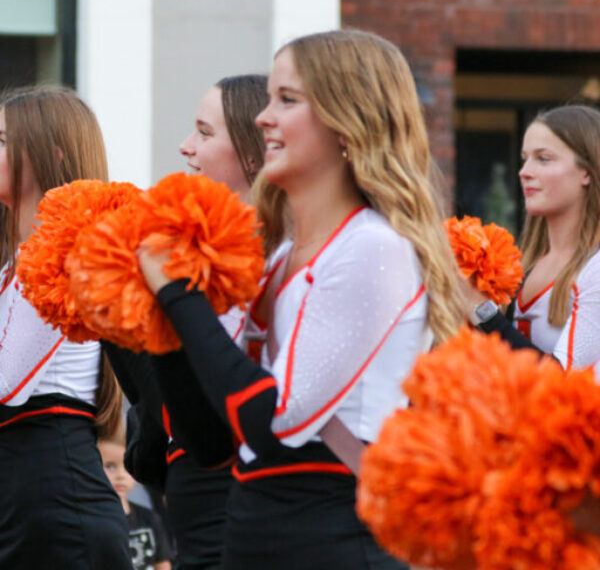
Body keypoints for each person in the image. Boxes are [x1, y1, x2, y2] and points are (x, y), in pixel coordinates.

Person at [137, 29, 466, 570]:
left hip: (335, 538)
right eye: (269, 99)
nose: (264, 117)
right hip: (258, 534)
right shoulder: (278, 256)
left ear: (347, 120)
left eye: (287, 100)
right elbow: (209, 441)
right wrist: (158, 326)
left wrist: (178, 294)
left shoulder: (373, 247)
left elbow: (273, 422)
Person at [105, 74, 268, 570]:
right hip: (189, 506)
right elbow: (157, 408)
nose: (185, 146)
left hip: (246, 505)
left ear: (254, 153)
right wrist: (114, 310)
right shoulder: (188, 256)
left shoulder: (279, 261)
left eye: (203, 132)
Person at [0, 86, 130, 569]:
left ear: (49, 153)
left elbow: (7, 381)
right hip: (26, 494)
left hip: (53, 493)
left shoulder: (66, 254)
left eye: (1, 139)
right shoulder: (14, 264)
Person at [464, 105, 600, 371]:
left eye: (543, 158)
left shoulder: (595, 268)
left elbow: (559, 380)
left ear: (587, 172)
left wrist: (480, 310)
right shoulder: (522, 264)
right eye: (525, 158)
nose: (524, 171)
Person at [99, 433, 173, 570]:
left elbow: (162, 563)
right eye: (110, 466)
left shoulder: (150, 518)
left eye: (127, 467)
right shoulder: (93, 523)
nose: (121, 475)